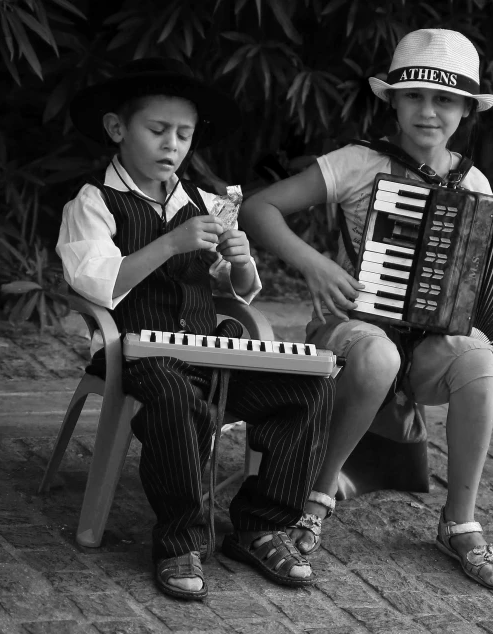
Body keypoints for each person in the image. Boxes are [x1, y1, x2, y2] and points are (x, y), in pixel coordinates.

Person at [240, 28, 493, 590]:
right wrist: (315, 265)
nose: (428, 111)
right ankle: (316, 498)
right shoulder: (356, 163)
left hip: (424, 345)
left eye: (445, 99)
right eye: (415, 96)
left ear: (467, 111)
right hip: (351, 328)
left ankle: (459, 520)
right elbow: (259, 209)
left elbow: (478, 292)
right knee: (376, 354)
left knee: (477, 356)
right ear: (393, 101)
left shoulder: (473, 182)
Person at [56, 58, 335, 601]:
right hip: (137, 355)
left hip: (209, 351)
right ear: (118, 129)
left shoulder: (205, 203)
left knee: (308, 387)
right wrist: (170, 243)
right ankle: (179, 538)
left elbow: (234, 290)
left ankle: (260, 524)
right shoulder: (94, 203)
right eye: (157, 131)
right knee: (173, 395)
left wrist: (241, 259)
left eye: (183, 135)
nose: (173, 146)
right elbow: (98, 286)